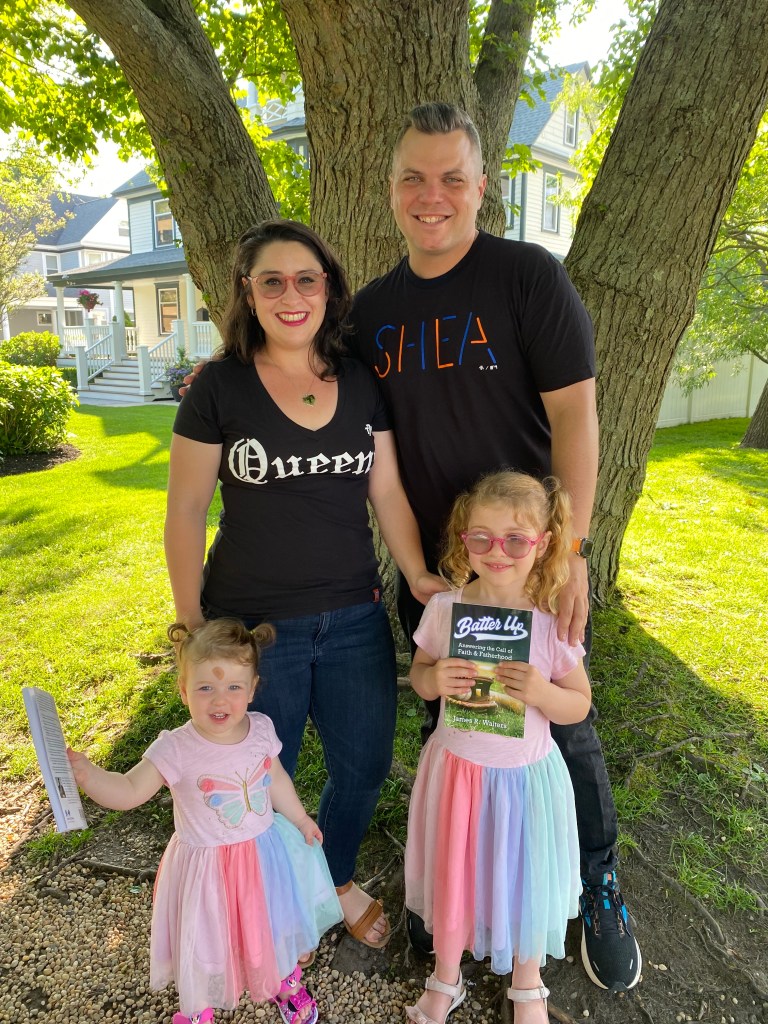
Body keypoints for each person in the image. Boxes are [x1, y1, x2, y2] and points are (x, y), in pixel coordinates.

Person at [349, 103, 641, 991]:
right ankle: (456, 889)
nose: (430, 195)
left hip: (527, 564)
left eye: (451, 178)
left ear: (483, 188)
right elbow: (349, 424)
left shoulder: (527, 279)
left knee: (559, 725)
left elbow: (575, 418)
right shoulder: (370, 310)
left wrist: (573, 549)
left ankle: (592, 884)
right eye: (413, 177)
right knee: (454, 727)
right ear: (391, 189)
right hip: (445, 575)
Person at [165, 219, 444, 951]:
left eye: (306, 279)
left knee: (365, 764)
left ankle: (336, 874)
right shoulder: (216, 387)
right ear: (247, 294)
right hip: (255, 626)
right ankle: (266, 896)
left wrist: (415, 571)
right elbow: (188, 510)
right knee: (263, 771)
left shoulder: (359, 381)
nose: (292, 296)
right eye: (272, 281)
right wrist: (193, 624)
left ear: (329, 290)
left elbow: (386, 492)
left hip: (353, 614)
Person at [67, 618, 342, 1024]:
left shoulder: (261, 729)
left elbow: (275, 777)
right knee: (207, 940)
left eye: (234, 687)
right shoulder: (175, 747)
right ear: (183, 690)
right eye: (205, 688)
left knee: (270, 923)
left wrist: (300, 818)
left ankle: (284, 979)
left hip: (263, 859)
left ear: (251, 689)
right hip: (206, 869)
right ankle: (199, 1007)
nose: (220, 700)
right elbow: (128, 789)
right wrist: (89, 776)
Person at [404, 471, 591, 1024]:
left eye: (515, 539)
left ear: (544, 543)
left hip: (524, 782)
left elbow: (578, 704)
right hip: (457, 774)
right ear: (463, 539)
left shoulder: (552, 619)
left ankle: (528, 984)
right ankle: (446, 976)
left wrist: (542, 692)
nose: (497, 551)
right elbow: (417, 673)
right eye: (480, 537)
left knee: (522, 876)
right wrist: (434, 680)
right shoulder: (446, 609)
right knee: (453, 874)